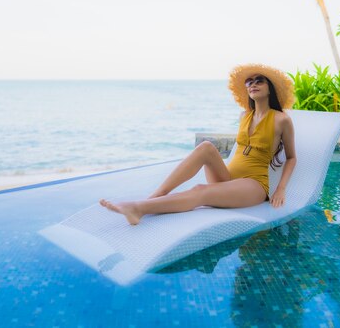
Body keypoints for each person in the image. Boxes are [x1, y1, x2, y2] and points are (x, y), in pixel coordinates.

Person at [99, 63, 297, 225]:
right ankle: (158, 194)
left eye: (259, 81)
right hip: (227, 179)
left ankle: (138, 209)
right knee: (205, 147)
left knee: (200, 190)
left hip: (253, 186)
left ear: (269, 87)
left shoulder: (281, 120)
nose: (252, 85)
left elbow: (291, 158)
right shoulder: (245, 115)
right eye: (249, 82)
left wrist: (280, 188)